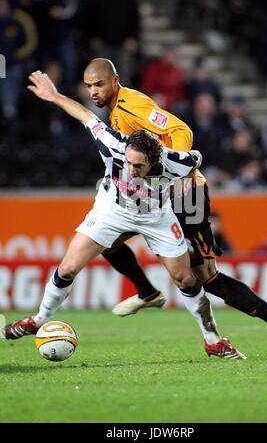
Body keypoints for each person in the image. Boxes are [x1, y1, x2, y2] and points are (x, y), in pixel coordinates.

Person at [76, 58, 267, 361]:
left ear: (114, 81)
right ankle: (148, 292)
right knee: (107, 240)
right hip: (157, 196)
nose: (93, 91)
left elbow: (179, 129)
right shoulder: (117, 110)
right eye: (89, 86)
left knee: (207, 277)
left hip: (186, 195)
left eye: (98, 84)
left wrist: (178, 170)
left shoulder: (132, 105)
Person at [4, 70, 232, 360]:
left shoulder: (177, 161)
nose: (132, 170)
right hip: (113, 210)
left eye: (139, 166)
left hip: (156, 215)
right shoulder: (113, 144)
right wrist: (54, 96)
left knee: (186, 279)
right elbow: (84, 115)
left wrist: (192, 196)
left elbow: (194, 157)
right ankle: (37, 320)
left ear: (154, 161)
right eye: (130, 163)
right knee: (68, 268)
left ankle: (214, 342)